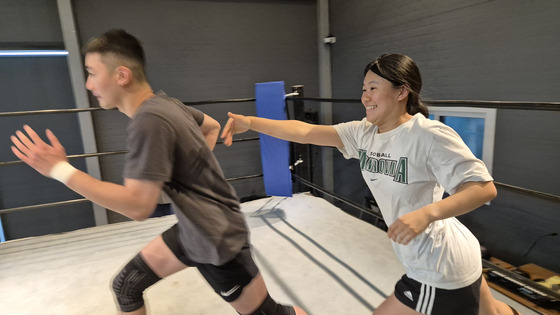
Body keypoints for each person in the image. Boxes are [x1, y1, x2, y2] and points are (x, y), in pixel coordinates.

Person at [10, 29, 306, 315]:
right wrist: (189, 172)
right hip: (193, 229)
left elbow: (138, 206)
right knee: (126, 287)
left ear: (121, 75)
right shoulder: (165, 104)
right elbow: (212, 126)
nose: (88, 85)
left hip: (217, 238)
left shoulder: (149, 121)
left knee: (271, 313)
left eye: (91, 72)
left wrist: (60, 169)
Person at [221, 53, 520, 315]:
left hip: (438, 264)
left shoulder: (429, 135)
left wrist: (425, 214)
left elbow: (483, 188)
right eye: (364, 89)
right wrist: (251, 122)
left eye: (373, 89)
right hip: (450, 251)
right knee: (492, 312)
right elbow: (305, 131)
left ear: (402, 91)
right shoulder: (363, 133)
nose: (365, 97)